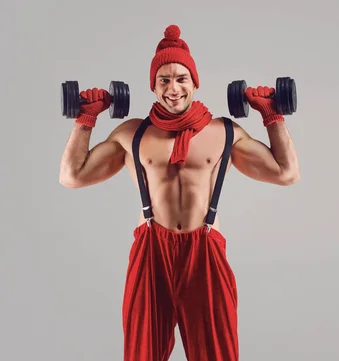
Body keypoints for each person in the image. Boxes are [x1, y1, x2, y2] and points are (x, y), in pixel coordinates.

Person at [58, 24, 300, 361]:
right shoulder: (132, 134)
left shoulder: (225, 132)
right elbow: (72, 176)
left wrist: (272, 116)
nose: (173, 89)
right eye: (164, 80)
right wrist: (84, 119)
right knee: (142, 353)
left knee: (217, 353)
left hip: (204, 249)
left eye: (181, 78)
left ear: (194, 82)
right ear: (153, 86)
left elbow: (286, 174)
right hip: (151, 248)